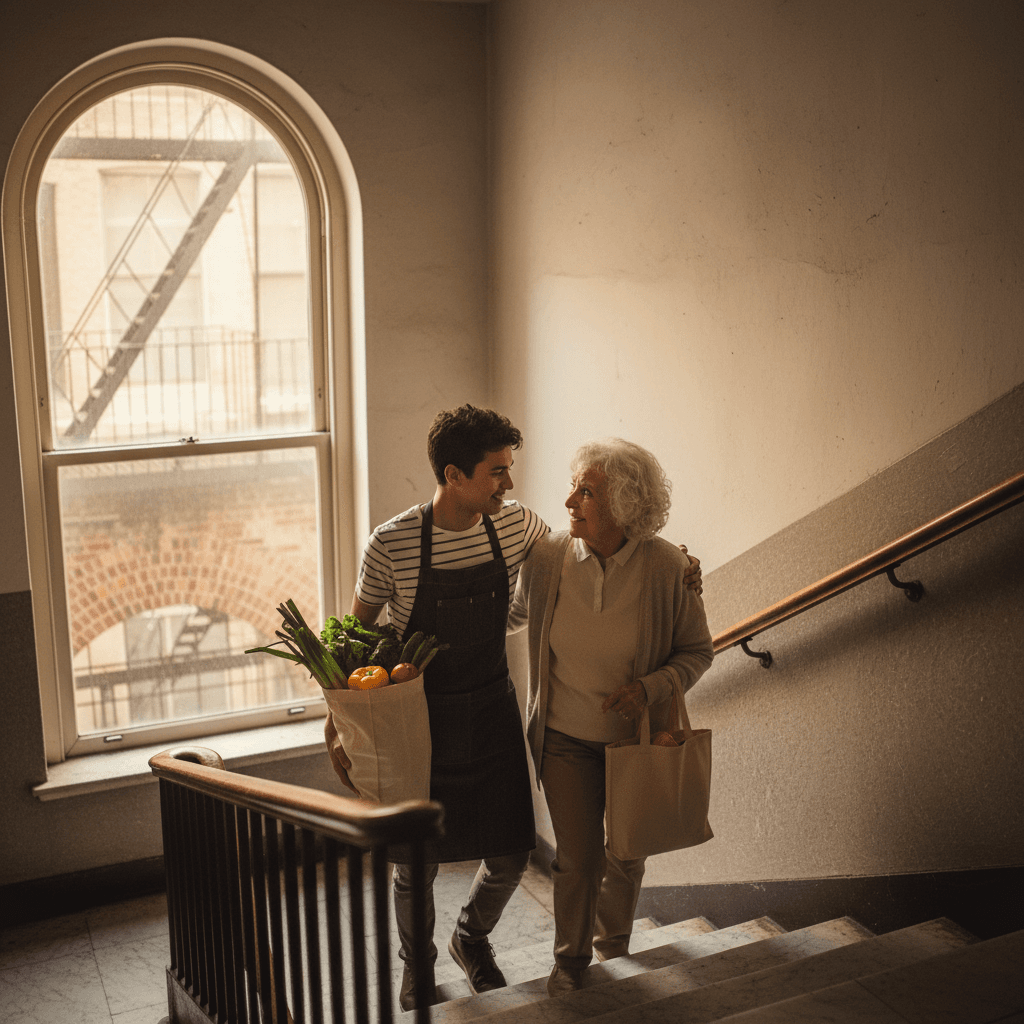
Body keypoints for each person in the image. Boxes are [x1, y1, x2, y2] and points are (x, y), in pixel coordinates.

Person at [507, 437, 714, 996]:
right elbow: (509, 615)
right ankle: (571, 962)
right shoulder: (547, 558)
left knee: (626, 853)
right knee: (577, 857)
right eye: (574, 486)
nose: (570, 500)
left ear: (624, 505)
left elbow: (697, 651)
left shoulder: (669, 568)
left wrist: (650, 688)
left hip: (634, 741)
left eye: (587, 492)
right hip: (564, 736)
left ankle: (612, 953)